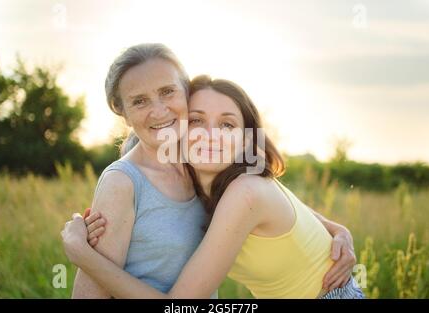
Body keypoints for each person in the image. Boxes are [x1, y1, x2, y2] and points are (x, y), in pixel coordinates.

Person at [62, 70, 361, 298]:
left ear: (246, 139)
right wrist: (337, 229)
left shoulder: (246, 190)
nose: (210, 135)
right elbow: (300, 213)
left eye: (227, 125)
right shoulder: (202, 181)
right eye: (196, 121)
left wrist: (82, 253)